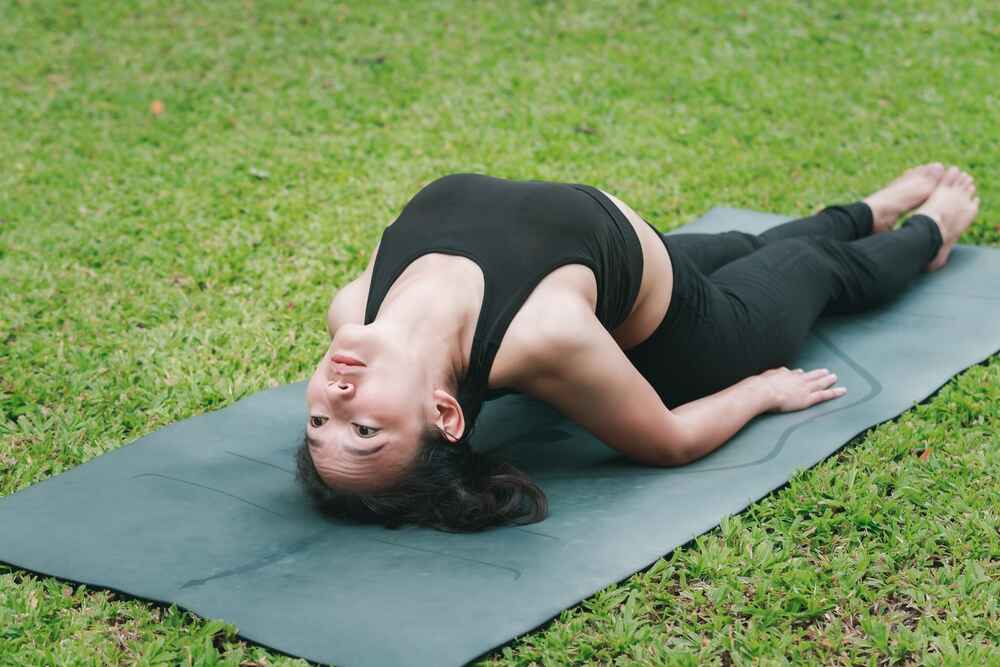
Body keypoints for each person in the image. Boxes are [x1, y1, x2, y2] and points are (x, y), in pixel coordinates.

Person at [296, 165, 979, 532]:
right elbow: (668, 442)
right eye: (365, 430)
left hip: (647, 267)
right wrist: (763, 389)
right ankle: (930, 232)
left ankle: (865, 211)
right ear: (444, 413)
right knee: (810, 265)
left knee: (748, 246)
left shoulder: (353, 310)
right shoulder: (543, 333)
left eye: (321, 421)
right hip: (693, 342)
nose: (336, 397)